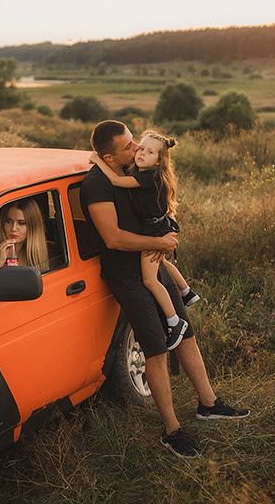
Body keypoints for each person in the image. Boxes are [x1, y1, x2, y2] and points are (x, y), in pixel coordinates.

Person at [80, 120, 249, 458]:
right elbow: (113, 238)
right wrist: (159, 242)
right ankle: (172, 431)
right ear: (108, 157)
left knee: (185, 333)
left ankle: (209, 404)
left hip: (153, 263)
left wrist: (162, 238)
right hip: (128, 276)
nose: (135, 149)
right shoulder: (96, 185)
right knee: (156, 350)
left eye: (135, 142)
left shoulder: (135, 170)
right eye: (128, 146)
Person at [89, 130, 200, 351]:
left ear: (158, 161)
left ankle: (174, 322)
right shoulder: (150, 173)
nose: (140, 153)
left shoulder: (148, 177)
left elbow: (116, 180)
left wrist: (98, 161)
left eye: (149, 152)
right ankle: (187, 292)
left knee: (150, 280)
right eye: (141, 147)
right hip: (158, 226)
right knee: (163, 263)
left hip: (153, 231)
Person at [0, 197, 49, 280]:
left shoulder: (34, 251)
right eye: (8, 221)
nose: (13, 228)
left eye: (21, 223)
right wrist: (0, 263)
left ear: (33, 226)